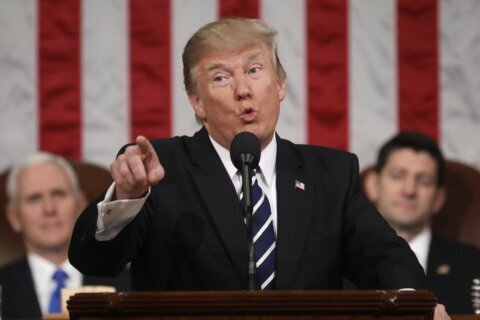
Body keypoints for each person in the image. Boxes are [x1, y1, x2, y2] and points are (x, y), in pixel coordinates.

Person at [68, 18, 448, 319]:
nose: (242, 90)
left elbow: (383, 257)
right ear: (197, 101)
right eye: (220, 77)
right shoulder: (161, 169)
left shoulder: (330, 173)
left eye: (254, 70)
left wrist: (416, 305)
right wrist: (127, 197)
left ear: (280, 83)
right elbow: (96, 262)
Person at [0, 152, 131, 319]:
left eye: (58, 194)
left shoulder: (129, 286)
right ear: (14, 217)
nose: (49, 209)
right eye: (34, 199)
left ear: (81, 206)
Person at [364, 131, 480, 314]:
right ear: (373, 185)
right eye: (398, 176)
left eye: (423, 181)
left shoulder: (474, 267)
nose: (409, 190)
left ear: (438, 198)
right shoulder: (338, 264)